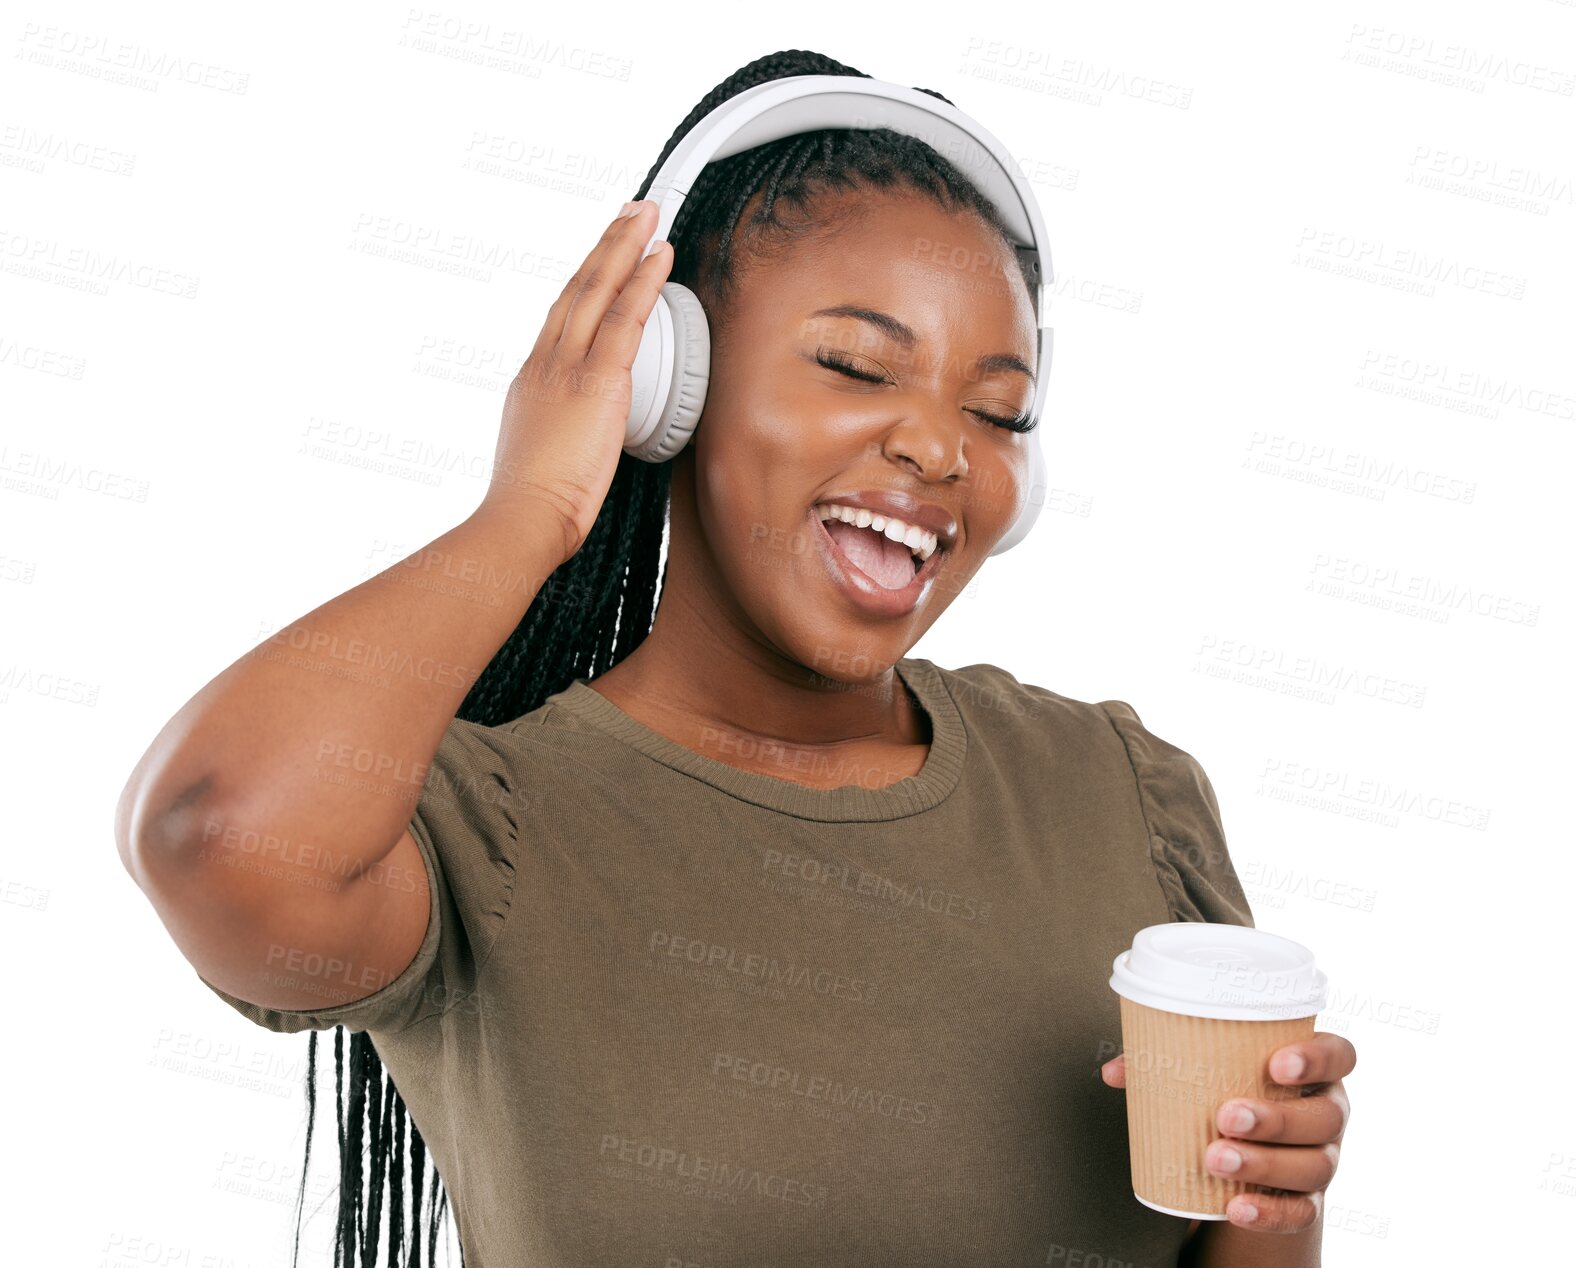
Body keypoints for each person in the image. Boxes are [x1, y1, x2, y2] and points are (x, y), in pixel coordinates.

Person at [115, 48, 1353, 1268]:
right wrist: (531, 505)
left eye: (997, 411)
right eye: (857, 366)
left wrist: (1277, 1200)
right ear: (668, 377)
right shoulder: (490, 829)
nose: (938, 448)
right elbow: (210, 827)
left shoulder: (1115, 791)